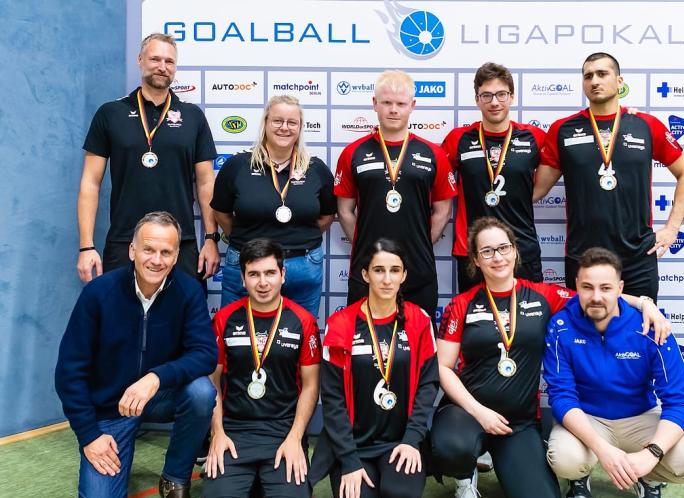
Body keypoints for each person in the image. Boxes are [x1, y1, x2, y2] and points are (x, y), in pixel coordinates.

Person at [430, 217, 670, 498]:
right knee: (452, 446)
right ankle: (465, 479)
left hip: (517, 423)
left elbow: (595, 296)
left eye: (503, 248)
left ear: (515, 251)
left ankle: (501, 459)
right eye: (487, 251)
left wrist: (644, 303)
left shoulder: (543, 296)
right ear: (476, 259)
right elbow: (444, 367)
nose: (498, 257)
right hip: (466, 413)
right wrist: (479, 412)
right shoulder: (462, 305)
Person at [55, 212, 217, 498]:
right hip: (110, 410)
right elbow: (69, 372)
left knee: (200, 392)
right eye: (148, 249)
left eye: (166, 252)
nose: (156, 260)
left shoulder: (187, 291)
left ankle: (174, 480)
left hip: (158, 396)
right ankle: (114, 455)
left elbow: (205, 353)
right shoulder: (98, 294)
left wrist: (156, 377)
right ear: (132, 250)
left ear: (176, 255)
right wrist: (90, 436)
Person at [543, 247, 684, 498]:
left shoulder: (651, 326)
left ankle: (645, 477)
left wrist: (652, 454)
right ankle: (580, 477)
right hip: (588, 419)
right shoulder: (561, 325)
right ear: (576, 285)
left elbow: (679, 401)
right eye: (587, 287)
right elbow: (562, 397)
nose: (596, 296)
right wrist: (602, 449)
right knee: (565, 459)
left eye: (606, 288)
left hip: (640, 419)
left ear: (620, 288)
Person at [534, 52, 684, 299]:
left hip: (637, 256)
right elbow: (538, 190)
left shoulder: (646, 125)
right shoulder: (562, 130)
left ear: (620, 82)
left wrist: (672, 228)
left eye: (602, 74)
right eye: (588, 76)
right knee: (584, 335)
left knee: (640, 332)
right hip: (583, 257)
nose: (594, 81)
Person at [309, 239, 439, 498]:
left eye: (395, 270)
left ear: (404, 275)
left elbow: (428, 386)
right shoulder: (341, 324)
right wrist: (349, 462)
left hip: (398, 442)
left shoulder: (419, 321)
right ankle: (366, 479)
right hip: (354, 445)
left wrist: (411, 440)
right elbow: (332, 399)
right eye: (379, 270)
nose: (387, 279)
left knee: (402, 496)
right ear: (365, 274)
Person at [77, 33, 220, 283]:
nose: (162, 67)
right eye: (155, 59)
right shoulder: (110, 113)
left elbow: (206, 183)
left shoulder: (193, 116)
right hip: (125, 241)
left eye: (169, 61)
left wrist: (210, 239)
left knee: (183, 321)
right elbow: (90, 182)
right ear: (140, 60)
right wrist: (86, 246)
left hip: (180, 244)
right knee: (120, 321)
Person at [200, 238, 320, 498]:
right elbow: (212, 382)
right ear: (242, 278)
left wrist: (295, 437)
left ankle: (262, 483)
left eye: (270, 273)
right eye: (254, 274)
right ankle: (250, 482)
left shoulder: (303, 321)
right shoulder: (225, 319)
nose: (263, 282)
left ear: (283, 275)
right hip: (235, 433)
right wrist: (217, 433)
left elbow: (311, 386)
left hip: (283, 433)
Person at [335, 70, 456, 316]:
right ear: (374, 104)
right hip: (367, 270)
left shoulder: (434, 154)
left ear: (412, 106)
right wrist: (366, 247)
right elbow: (344, 211)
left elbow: (443, 211)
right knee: (364, 345)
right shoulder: (353, 153)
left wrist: (418, 243)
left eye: (400, 104)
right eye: (387, 102)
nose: (393, 109)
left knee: (420, 346)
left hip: (418, 269)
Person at [212, 95, 336, 316]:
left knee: (301, 339)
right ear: (266, 123)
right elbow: (221, 212)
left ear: (300, 127)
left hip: (303, 266)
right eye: (277, 121)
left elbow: (326, 217)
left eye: (292, 122)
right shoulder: (237, 166)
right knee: (234, 338)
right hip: (247, 265)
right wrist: (249, 243)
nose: (284, 128)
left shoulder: (316, 169)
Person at [442, 62, 546, 291]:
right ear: (477, 99)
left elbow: (578, 159)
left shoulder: (534, 137)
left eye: (501, 94)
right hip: (473, 251)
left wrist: (626, 115)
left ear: (512, 96)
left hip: (521, 249)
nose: (495, 102)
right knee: (477, 324)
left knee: (528, 323)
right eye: (487, 95)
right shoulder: (458, 139)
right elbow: (429, 174)